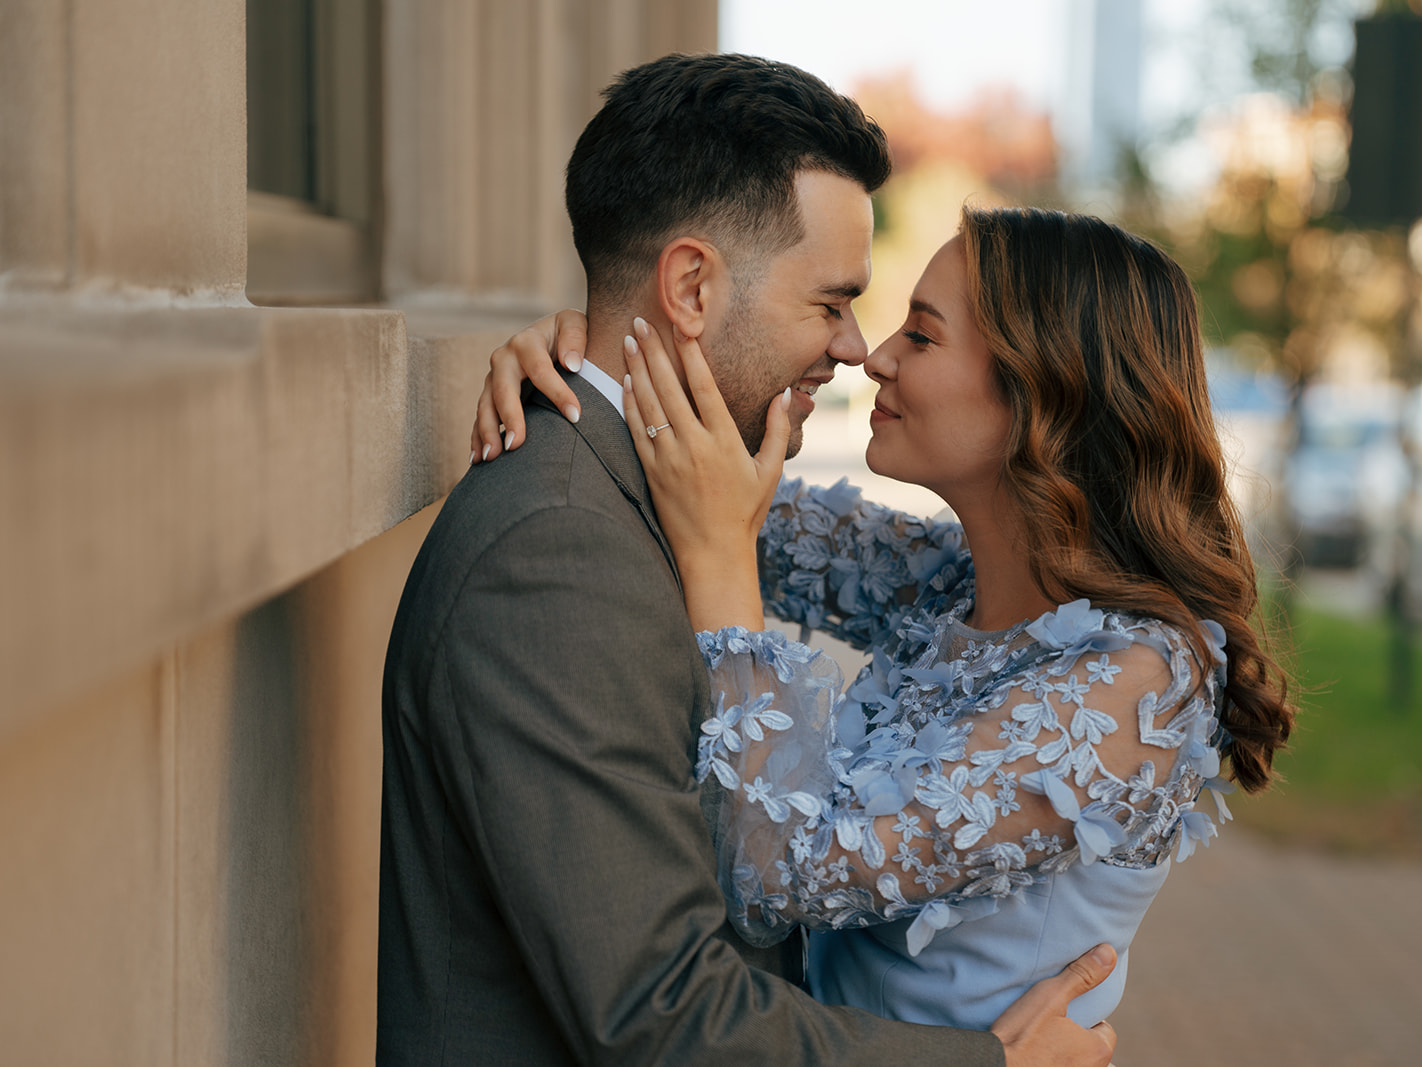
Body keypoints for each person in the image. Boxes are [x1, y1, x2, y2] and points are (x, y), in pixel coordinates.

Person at [380, 52, 1118, 1066]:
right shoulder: (557, 555)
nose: (858, 349)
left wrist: (591, 359)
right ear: (689, 285)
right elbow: (663, 1012)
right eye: (831, 302)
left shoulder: (659, 498)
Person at [472, 206, 1296, 1030]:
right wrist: (596, 359)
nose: (875, 357)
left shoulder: (1136, 686)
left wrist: (723, 560)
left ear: (1043, 391)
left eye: (923, 337)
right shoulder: (949, 577)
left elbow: (780, 874)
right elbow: (711, 493)